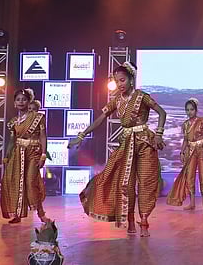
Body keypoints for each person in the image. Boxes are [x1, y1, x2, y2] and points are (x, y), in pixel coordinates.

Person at [70, 62, 167, 237]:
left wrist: (159, 134)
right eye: (117, 81)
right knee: (125, 185)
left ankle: (144, 221)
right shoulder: (116, 100)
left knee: (146, 183)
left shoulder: (142, 96)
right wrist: (81, 135)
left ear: (131, 80)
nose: (120, 84)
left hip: (144, 142)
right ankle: (130, 220)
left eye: (122, 80)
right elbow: (100, 119)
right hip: (126, 144)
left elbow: (162, 113)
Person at [0, 90, 50, 224]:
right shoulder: (13, 122)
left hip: (33, 153)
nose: (21, 102)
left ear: (29, 102)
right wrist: (7, 155)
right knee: (15, 182)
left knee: (30, 182)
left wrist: (43, 155)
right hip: (17, 155)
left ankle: (41, 214)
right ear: (14, 103)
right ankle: (17, 214)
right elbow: (12, 140)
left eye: (23, 99)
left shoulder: (38, 117)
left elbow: (43, 136)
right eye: (18, 99)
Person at [167, 98, 203, 210]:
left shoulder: (202, 121)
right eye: (187, 110)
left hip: (202, 150)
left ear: (196, 110)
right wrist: (182, 152)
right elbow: (185, 140)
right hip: (190, 151)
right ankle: (192, 203)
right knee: (189, 177)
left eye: (192, 109)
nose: (189, 112)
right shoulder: (185, 125)